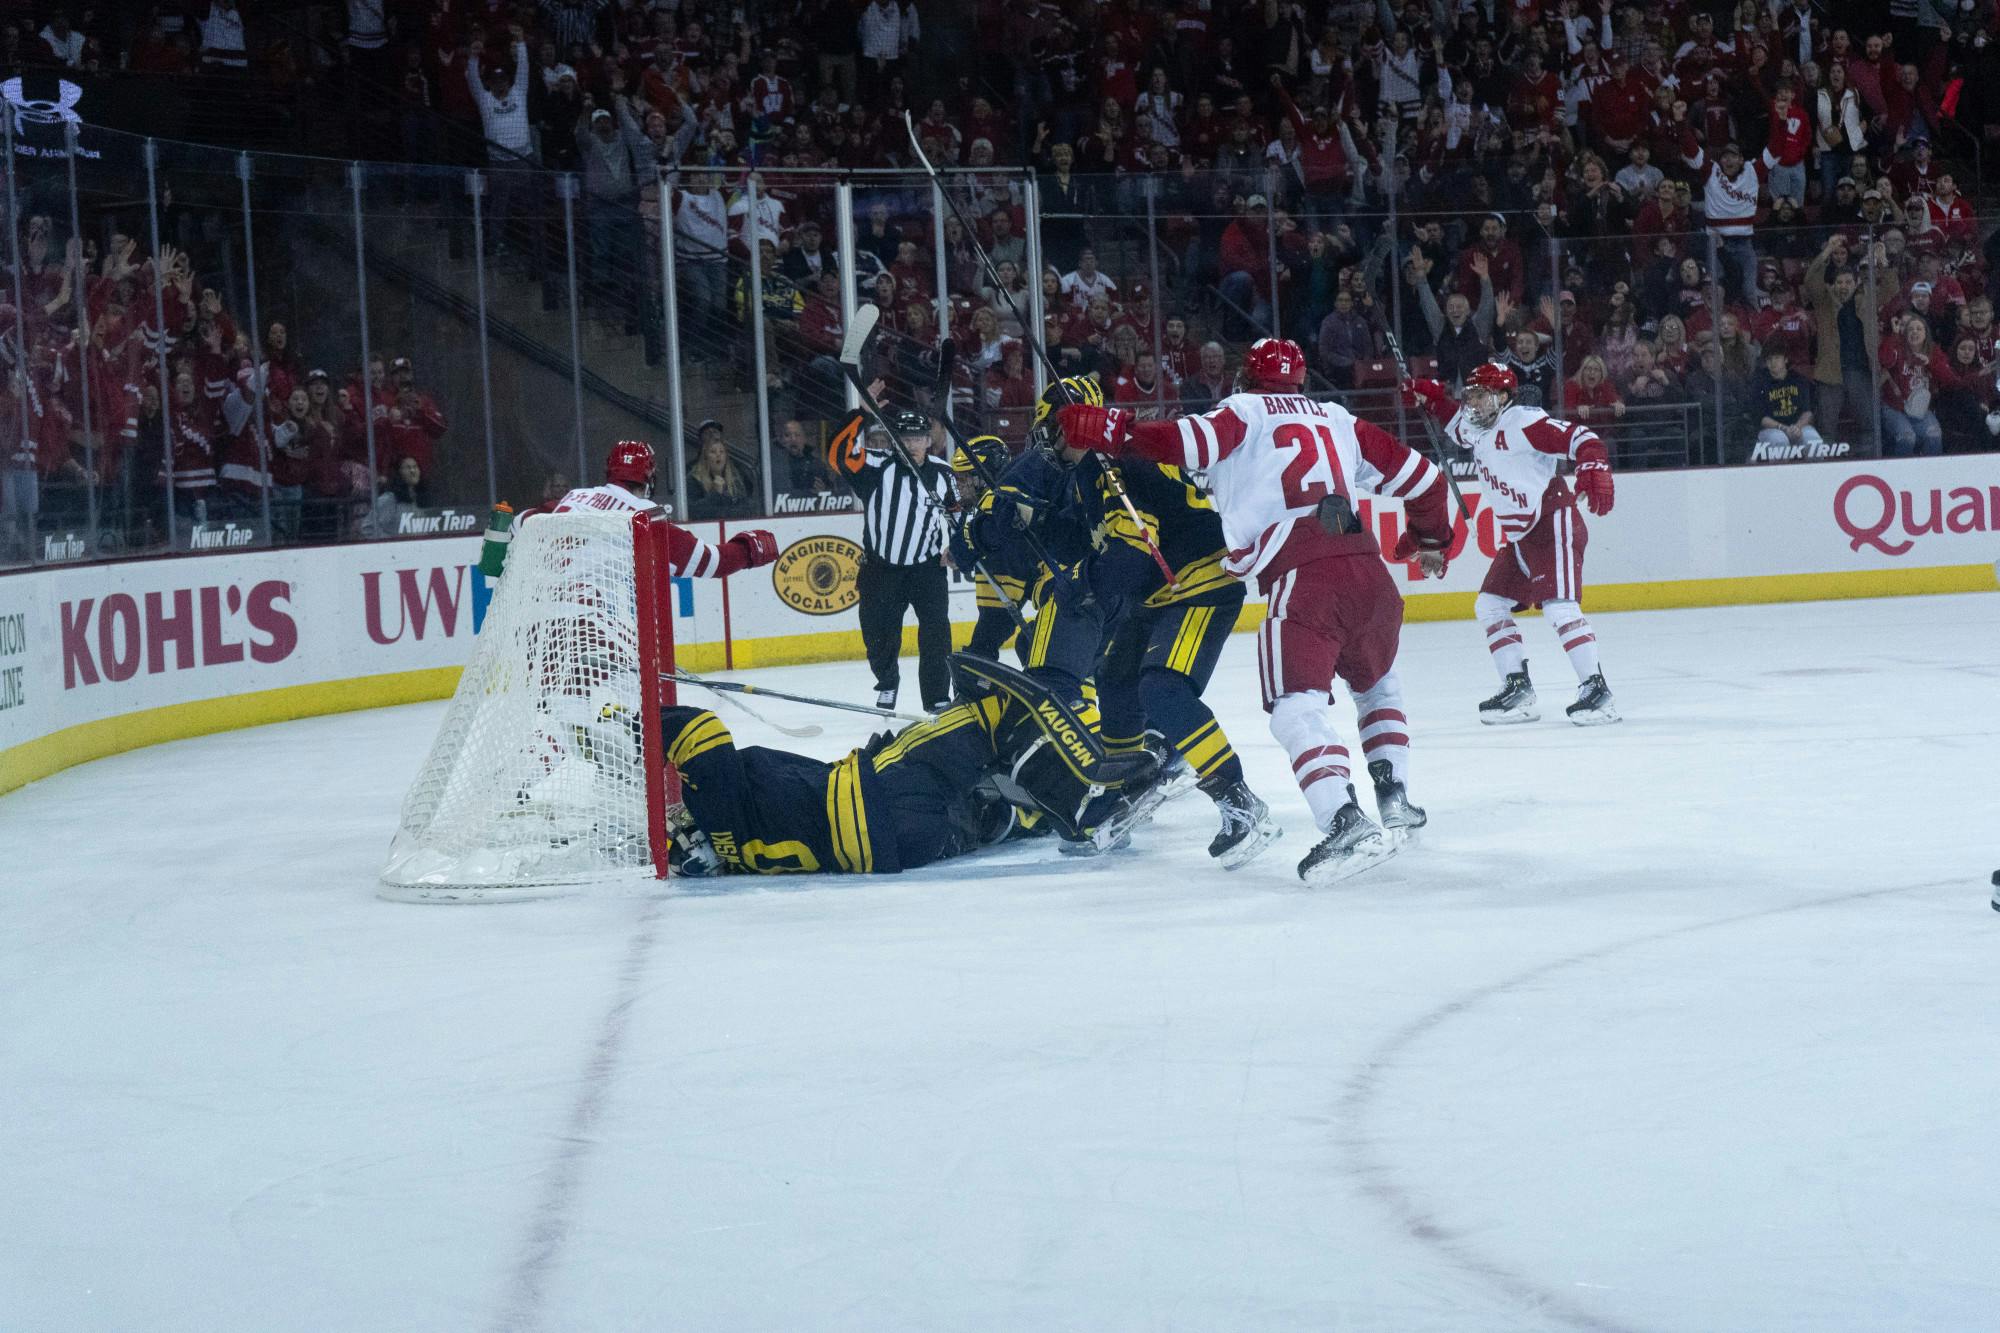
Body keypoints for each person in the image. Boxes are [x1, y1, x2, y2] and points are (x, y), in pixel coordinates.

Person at [1056, 337, 1455, 887]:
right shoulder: (1339, 419)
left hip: (1302, 574)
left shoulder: (1242, 412)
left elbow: (1180, 443)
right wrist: (1429, 537)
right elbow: (1428, 480)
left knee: (1294, 710)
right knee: (1379, 686)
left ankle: (1344, 821)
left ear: (1246, 377)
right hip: (1370, 569)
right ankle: (1395, 799)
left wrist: (1112, 431)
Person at [1403, 363, 1619, 727]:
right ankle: (1517, 688)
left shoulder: (1524, 421)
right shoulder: (1477, 426)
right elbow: (1454, 422)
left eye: (1479, 396)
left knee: (1559, 608)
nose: (1471, 404)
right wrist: (1432, 397)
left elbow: (1582, 437)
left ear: (1502, 398)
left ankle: (1597, 691)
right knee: (1489, 605)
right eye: (1468, 396)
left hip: (1553, 523)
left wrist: (1593, 466)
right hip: (1521, 537)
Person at [827, 398, 955, 711]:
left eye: (918, 438)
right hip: (881, 569)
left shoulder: (944, 473)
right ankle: (887, 680)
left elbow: (959, 513)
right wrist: (861, 413)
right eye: (905, 438)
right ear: (894, 440)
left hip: (926, 569)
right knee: (878, 635)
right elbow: (836, 454)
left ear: (929, 441)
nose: (912, 444)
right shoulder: (874, 465)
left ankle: (937, 697)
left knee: (936, 634)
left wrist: (956, 547)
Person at [507, 438, 777, 581]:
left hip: (541, 626)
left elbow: (520, 522)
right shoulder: (647, 520)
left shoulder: (574, 497)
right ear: (649, 477)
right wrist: (751, 548)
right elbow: (714, 563)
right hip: (600, 634)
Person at [1747, 347, 1823, 462]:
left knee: (1814, 443)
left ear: (1786, 360)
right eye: (1769, 360)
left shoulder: (1799, 380)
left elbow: (1807, 411)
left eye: (1777, 358)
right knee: (1780, 442)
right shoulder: (1759, 382)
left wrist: (1798, 427)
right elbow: (1761, 418)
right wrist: (1783, 428)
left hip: (1799, 426)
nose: (1773, 362)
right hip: (1771, 429)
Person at [685, 421, 756, 519]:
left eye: (721, 452)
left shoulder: (737, 476)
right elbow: (693, 512)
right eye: (713, 452)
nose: (718, 455)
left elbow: (748, 507)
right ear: (705, 456)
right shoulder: (693, 479)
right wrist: (715, 494)